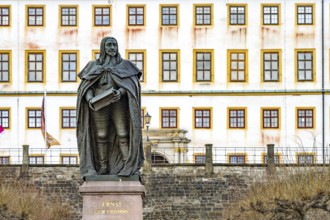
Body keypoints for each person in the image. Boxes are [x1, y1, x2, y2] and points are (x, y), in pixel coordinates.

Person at [76, 37, 144, 178]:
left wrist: (121, 92)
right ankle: (103, 165)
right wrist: (90, 99)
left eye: (114, 45)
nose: (112, 48)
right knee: (101, 135)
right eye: (109, 45)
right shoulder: (93, 66)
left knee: (123, 133)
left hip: (118, 102)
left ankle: (128, 166)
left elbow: (131, 85)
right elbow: (87, 85)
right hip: (99, 103)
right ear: (103, 47)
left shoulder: (125, 66)